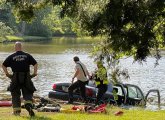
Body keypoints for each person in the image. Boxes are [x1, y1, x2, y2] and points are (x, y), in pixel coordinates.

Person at [2, 42, 38, 117]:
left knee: (15, 94)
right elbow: (35, 64)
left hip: (15, 77)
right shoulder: (27, 55)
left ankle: (17, 111)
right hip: (26, 76)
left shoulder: (11, 56)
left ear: (15, 47)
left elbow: (3, 65)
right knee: (28, 91)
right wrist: (34, 73)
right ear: (21, 47)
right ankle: (28, 104)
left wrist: (7, 74)